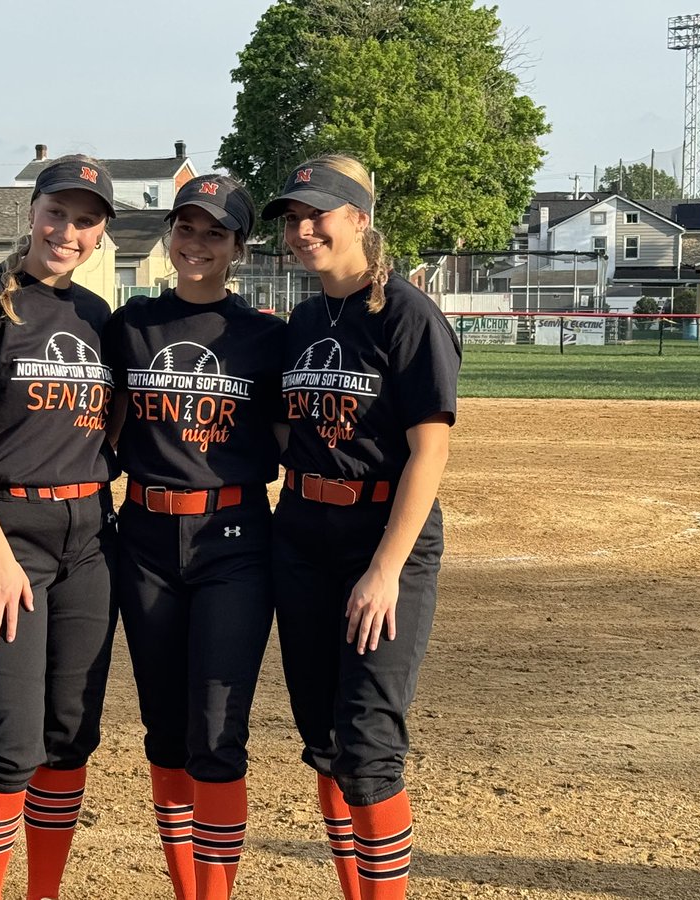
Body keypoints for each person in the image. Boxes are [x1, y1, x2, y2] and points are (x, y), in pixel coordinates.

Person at [260, 155, 461, 900]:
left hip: (383, 540)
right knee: (324, 743)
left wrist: (384, 570)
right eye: (292, 217)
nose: (302, 228)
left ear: (360, 219)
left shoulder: (408, 314)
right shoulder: (305, 319)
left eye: (318, 213)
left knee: (369, 748)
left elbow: (429, 449)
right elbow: (286, 427)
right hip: (303, 535)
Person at [0, 155, 119, 900]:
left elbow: (114, 427)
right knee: (11, 746)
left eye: (85, 220)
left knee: (68, 741)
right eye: (56, 212)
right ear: (32, 210)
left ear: (102, 235)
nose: (66, 231)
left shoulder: (97, 319)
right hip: (8, 537)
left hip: (90, 541)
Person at [102, 174, 285, 900]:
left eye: (215, 232)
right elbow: (99, 421)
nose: (197, 243)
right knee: (166, 733)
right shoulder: (131, 325)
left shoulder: (266, 336)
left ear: (239, 246)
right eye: (187, 228)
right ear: (170, 236)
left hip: (233, 539)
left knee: (217, 734)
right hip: (144, 537)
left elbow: (293, 439)